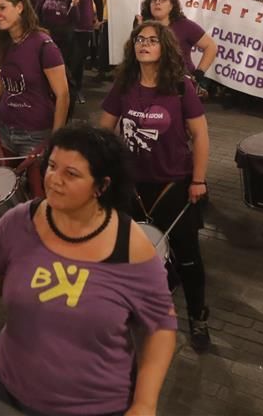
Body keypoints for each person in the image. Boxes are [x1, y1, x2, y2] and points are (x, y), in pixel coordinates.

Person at [0, 125, 177, 416]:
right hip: (11, 396)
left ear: (101, 186)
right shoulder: (18, 222)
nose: (53, 180)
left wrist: (145, 403)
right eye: (51, 166)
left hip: (96, 407)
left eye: (71, 174)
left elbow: (161, 326)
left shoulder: (130, 245)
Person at [100, 21, 212, 352]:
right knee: (130, 255)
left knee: (189, 255)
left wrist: (198, 179)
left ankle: (197, 315)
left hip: (174, 185)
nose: (144, 44)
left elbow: (201, 135)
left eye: (151, 40)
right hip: (133, 187)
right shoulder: (124, 85)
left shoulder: (180, 87)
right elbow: (105, 131)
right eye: (139, 39)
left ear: (164, 46)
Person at [0, 0, 70, 198]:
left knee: (39, 199)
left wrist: (56, 138)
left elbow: (63, 95)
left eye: (2, 8)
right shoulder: (3, 42)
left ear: (20, 7)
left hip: (36, 136)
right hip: (4, 131)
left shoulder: (44, 45)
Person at [138, 0, 217, 92]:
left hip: (179, 85)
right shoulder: (144, 26)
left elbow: (211, 46)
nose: (157, 2)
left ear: (171, 5)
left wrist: (199, 73)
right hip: (149, 82)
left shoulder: (184, 25)